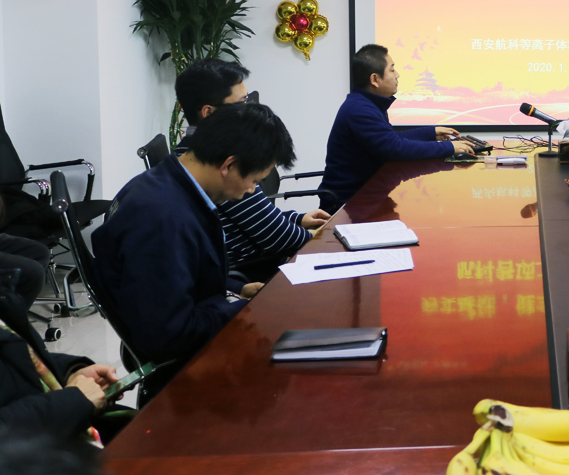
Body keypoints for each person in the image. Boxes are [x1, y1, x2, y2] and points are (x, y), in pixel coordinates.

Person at [92, 103, 295, 398]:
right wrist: (241, 309)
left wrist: (236, 288)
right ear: (228, 165)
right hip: (189, 369)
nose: (252, 190)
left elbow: (183, 273)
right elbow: (168, 332)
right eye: (254, 181)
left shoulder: (171, 183)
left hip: (194, 331)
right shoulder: (163, 219)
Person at [174, 59, 328, 281]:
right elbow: (275, 236)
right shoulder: (216, 163)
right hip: (251, 270)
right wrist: (330, 243)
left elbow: (255, 218)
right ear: (209, 113)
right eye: (241, 103)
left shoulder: (192, 153)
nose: (248, 110)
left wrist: (297, 218)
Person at [318, 44, 474, 208]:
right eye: (392, 70)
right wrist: (449, 147)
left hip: (367, 196)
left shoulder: (366, 103)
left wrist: (431, 133)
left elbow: (390, 139)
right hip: (348, 205)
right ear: (375, 80)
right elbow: (394, 148)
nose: (397, 75)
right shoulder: (360, 110)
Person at [0, 268, 128, 445]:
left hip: (59, 422)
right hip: (41, 446)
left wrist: (69, 372)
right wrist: (73, 400)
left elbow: (18, 358)